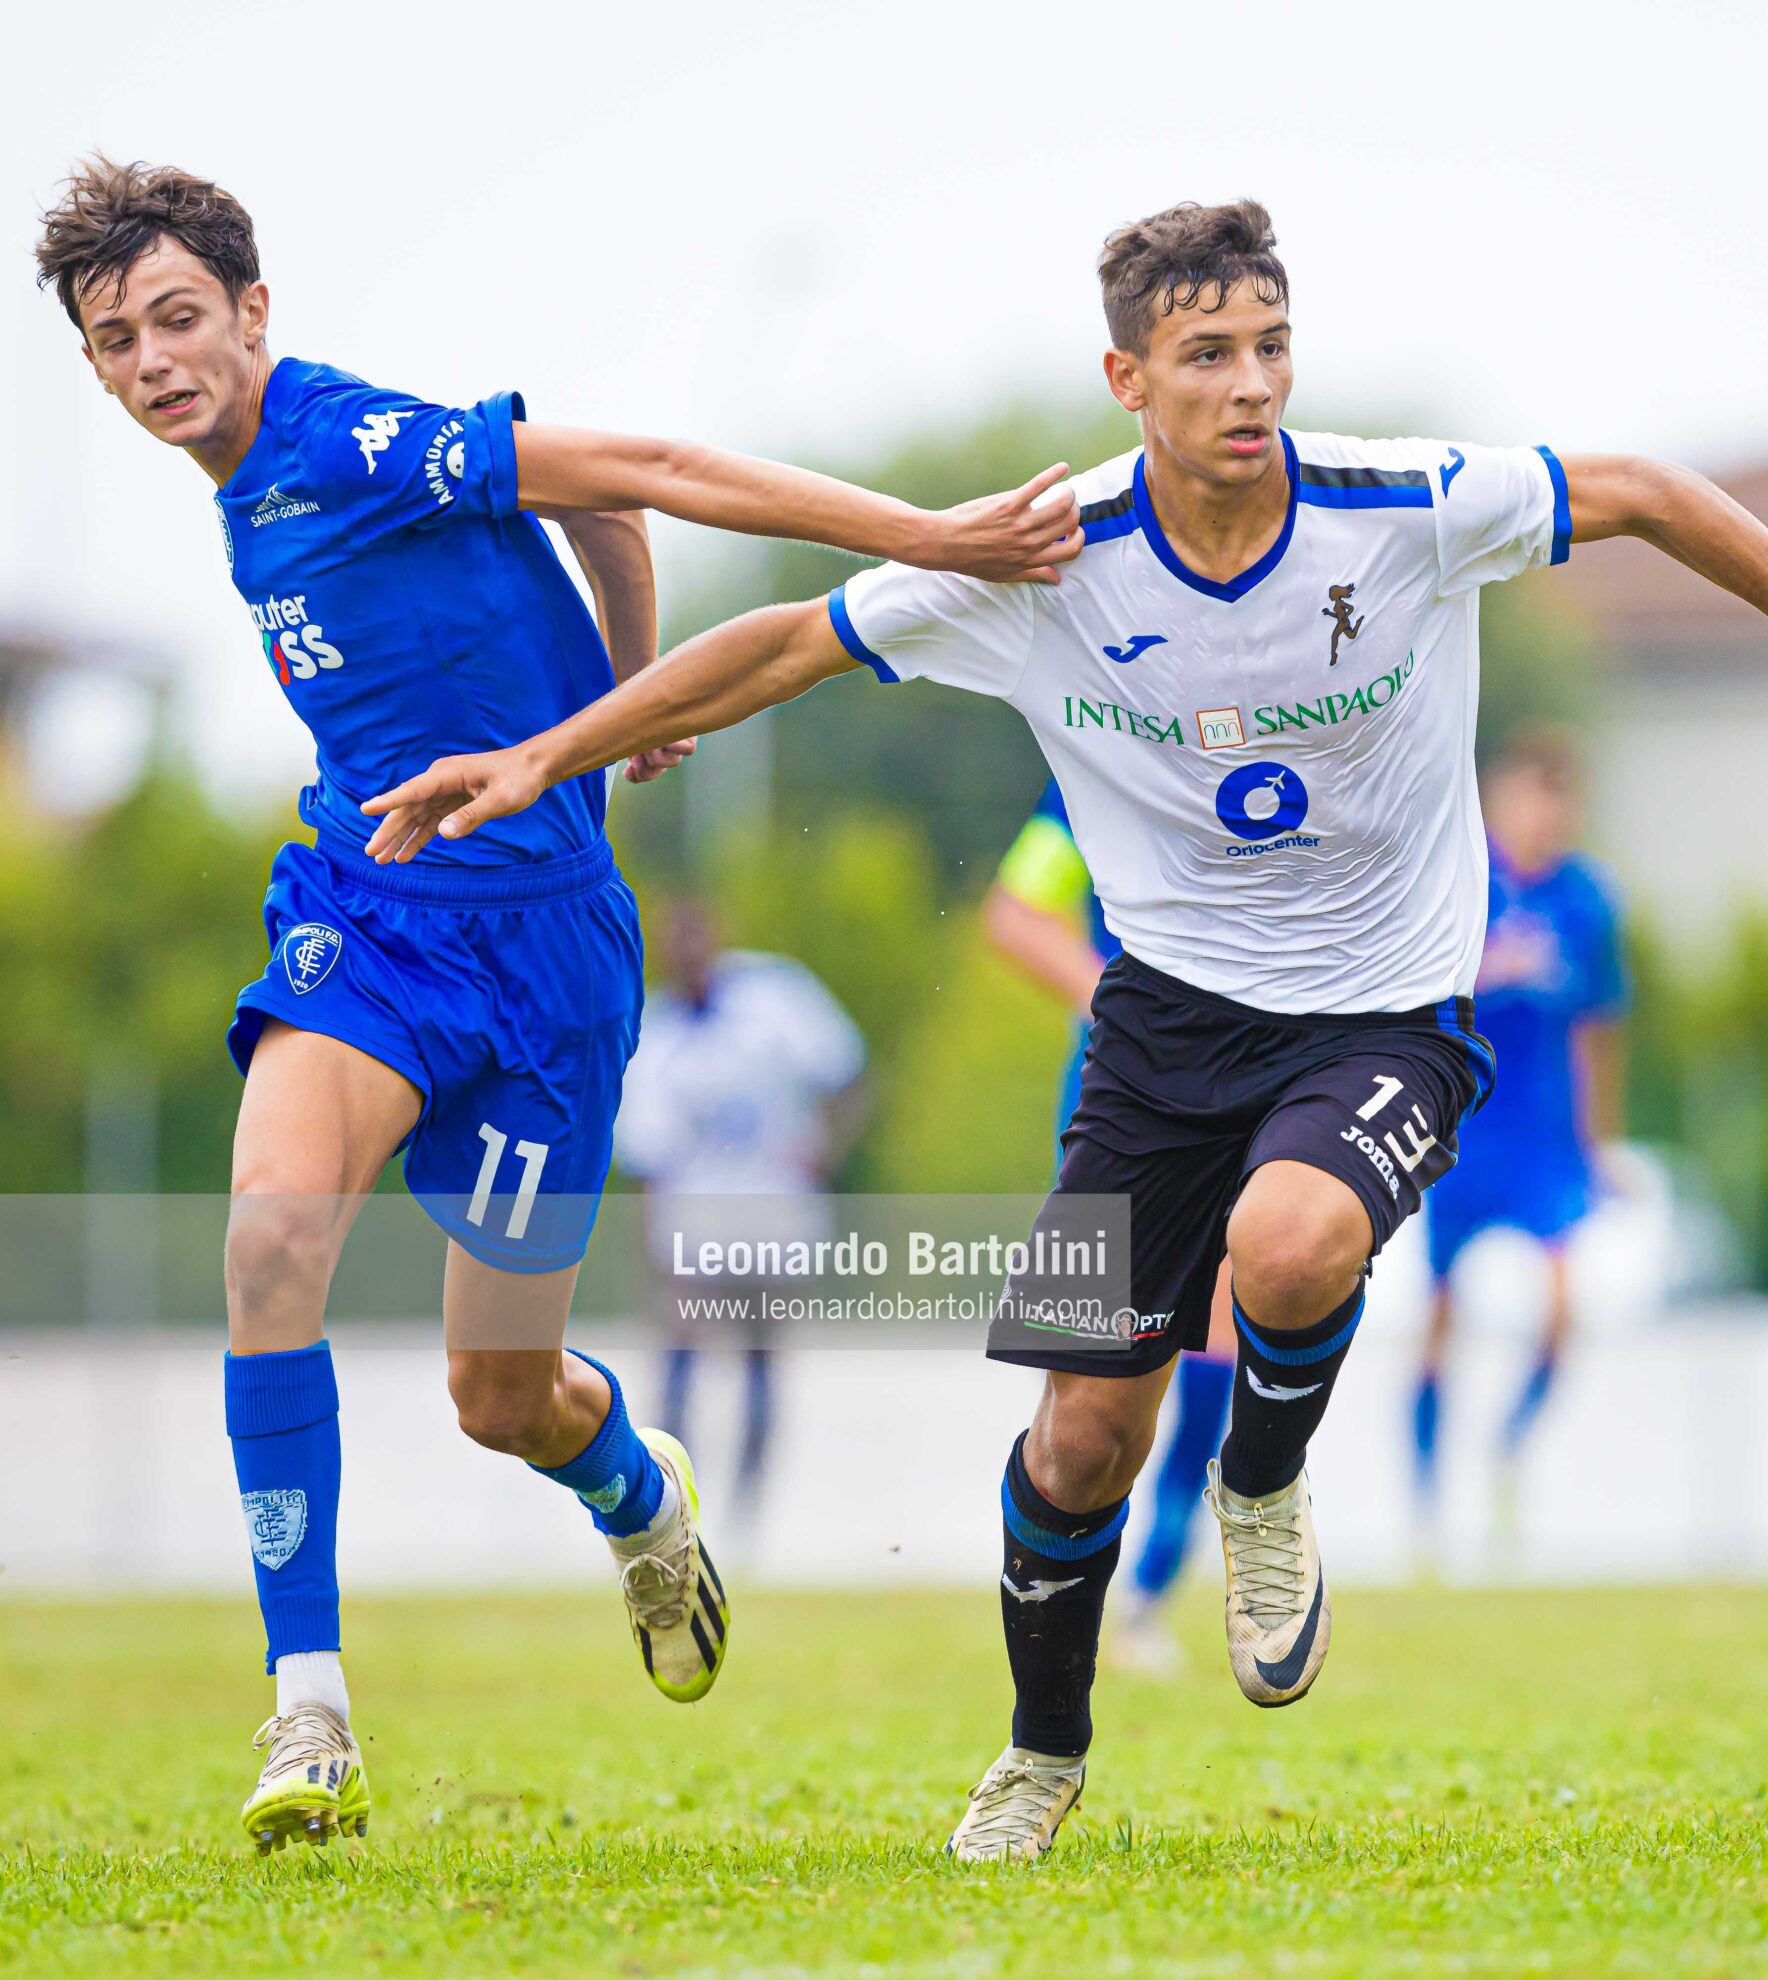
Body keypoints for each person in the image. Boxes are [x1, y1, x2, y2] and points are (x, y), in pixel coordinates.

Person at [359, 197, 1768, 1862]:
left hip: (1387, 1015)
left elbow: (1653, 494)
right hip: (1159, 1034)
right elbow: (788, 642)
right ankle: (1040, 1752)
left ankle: (1264, 1484)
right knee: (1083, 1435)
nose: (1251, 385)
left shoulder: (1400, 509)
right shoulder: (1041, 560)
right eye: (1208, 355)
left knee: (1288, 1244)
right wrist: (540, 761)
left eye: (1271, 347)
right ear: (1127, 379)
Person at [32, 157, 1075, 1853]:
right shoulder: (235, 490)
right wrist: (623, 683)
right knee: (268, 1242)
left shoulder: (345, 443)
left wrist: (924, 536)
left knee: (499, 1396)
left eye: (177, 319)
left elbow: (638, 470)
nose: (154, 361)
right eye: (115, 340)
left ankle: (641, 1500)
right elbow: (590, 522)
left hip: (548, 963)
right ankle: (310, 1709)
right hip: (367, 917)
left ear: (252, 314)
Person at [984, 779, 1236, 1677]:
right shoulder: (1099, 761)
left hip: (1249, 1089)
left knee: (1216, 1346)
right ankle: (1060, 1597)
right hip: (1117, 1099)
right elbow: (1016, 914)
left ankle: (1150, 1595)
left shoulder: (1282, 738)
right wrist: (1124, 1006)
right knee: (1087, 1383)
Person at [1411, 730, 1626, 1539]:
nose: (1546, 819)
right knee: (1441, 1313)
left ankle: (1508, 1444)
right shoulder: (1464, 883)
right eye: (1533, 800)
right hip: (1464, 1129)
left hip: (1543, 1136)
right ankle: (1428, 1496)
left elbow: (1598, 1030)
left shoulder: (1588, 902)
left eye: (1559, 805)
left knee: (1567, 1306)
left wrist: (1599, 1143)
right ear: (1503, 803)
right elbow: (1409, 990)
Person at [615, 897, 867, 1536]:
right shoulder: (655, 1036)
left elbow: (848, 1074)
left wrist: (824, 1155)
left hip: (772, 1219)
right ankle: (670, 1508)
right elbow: (647, 1161)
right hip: (693, 1230)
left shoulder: (775, 997)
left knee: (760, 1365)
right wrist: (652, 1246)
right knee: (678, 1366)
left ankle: (747, 1516)